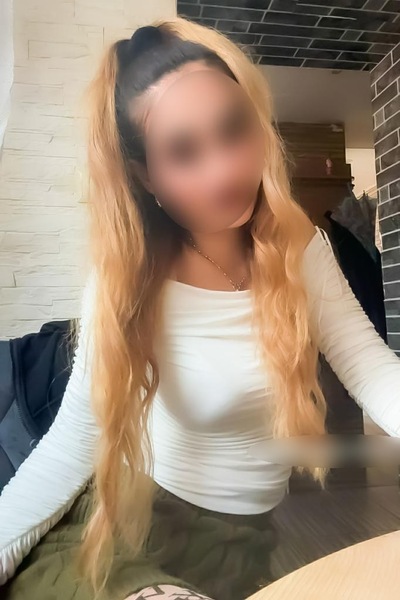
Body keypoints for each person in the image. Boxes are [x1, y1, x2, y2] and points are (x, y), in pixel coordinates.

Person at [1, 16, 400, 600]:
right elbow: (73, 445)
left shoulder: (299, 249)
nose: (225, 169)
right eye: (184, 152)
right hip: (119, 538)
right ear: (146, 175)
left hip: (240, 548)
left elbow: (372, 371)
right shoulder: (129, 279)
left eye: (234, 128)